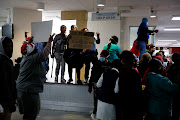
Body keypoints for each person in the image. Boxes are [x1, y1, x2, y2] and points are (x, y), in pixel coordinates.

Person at [16, 34, 54, 120]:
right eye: (35, 49)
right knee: (31, 114)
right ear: (31, 51)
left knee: (28, 113)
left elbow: (28, 50)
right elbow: (45, 53)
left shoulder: (27, 58)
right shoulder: (32, 59)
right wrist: (49, 42)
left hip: (24, 90)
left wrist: (29, 42)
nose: (37, 49)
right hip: (28, 91)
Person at [114, 50, 142, 120]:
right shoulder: (134, 74)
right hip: (132, 105)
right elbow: (138, 92)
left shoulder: (118, 72)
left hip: (121, 104)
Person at [88, 50, 111, 120]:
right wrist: (90, 85)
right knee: (96, 100)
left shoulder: (108, 64)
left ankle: (96, 112)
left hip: (101, 84)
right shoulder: (97, 63)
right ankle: (94, 113)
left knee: (98, 100)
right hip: (96, 83)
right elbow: (92, 75)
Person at [0, 36, 16, 120]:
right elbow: (4, 82)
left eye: (11, 46)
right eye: (6, 46)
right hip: (4, 100)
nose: (10, 49)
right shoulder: (2, 61)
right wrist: (10, 101)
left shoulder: (7, 60)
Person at [166, 53, 180, 120]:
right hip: (176, 90)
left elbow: (168, 77)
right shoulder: (174, 67)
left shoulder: (172, 67)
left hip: (173, 91)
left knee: (175, 111)